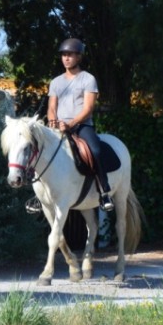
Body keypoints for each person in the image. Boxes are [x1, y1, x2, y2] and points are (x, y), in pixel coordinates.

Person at [47, 37, 113, 212]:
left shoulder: (88, 79)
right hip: (58, 127)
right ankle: (40, 197)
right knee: (39, 150)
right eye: (64, 55)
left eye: (70, 55)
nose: (66, 58)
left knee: (96, 150)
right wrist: (53, 121)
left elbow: (88, 108)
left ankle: (104, 191)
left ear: (79, 57)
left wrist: (70, 124)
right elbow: (52, 107)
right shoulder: (55, 82)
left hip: (82, 126)